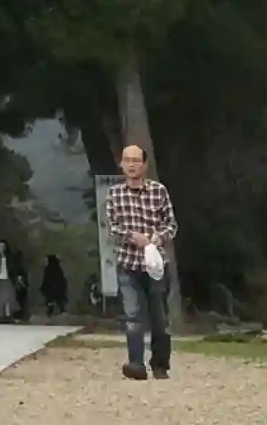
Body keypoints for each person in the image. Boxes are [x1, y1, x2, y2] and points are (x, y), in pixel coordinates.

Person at [106, 144, 178, 382]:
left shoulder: (159, 191)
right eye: (127, 160)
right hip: (128, 264)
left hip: (156, 266)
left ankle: (160, 365)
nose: (131, 164)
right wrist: (131, 236)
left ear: (145, 164)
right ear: (121, 164)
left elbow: (171, 224)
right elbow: (113, 227)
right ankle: (136, 364)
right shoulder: (114, 194)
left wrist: (158, 237)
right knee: (133, 316)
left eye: (136, 160)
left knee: (160, 319)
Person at [0, 239, 19, 322]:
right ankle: (0, 316)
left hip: (7, 279)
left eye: (3, 246)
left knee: (9, 298)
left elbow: (13, 268)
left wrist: (14, 277)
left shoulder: (9, 257)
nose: (1, 248)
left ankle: (8, 316)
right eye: (0, 246)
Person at [39, 253, 69, 319]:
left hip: (53, 288)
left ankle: (54, 309)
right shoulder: (57, 268)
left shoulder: (49, 269)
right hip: (56, 287)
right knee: (55, 300)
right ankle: (58, 309)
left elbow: (47, 279)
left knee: (52, 300)